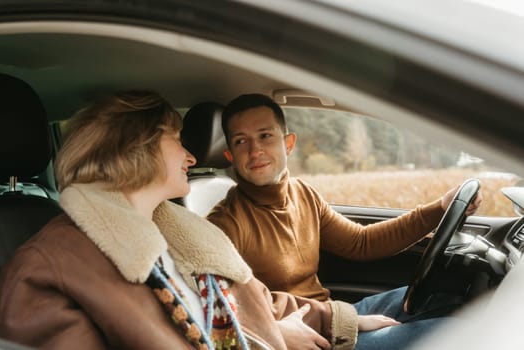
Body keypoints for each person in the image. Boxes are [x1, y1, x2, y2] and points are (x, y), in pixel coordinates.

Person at [0, 90, 383, 350]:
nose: (192, 156)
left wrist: (338, 318)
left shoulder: (177, 232)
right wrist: (265, 341)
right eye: (177, 140)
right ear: (138, 148)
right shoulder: (48, 265)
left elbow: (253, 301)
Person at [206, 93, 483, 349]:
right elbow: (231, 316)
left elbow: (361, 243)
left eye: (265, 136)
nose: (255, 151)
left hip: (334, 317)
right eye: (241, 141)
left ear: (288, 144)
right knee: (465, 334)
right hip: (307, 338)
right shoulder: (223, 225)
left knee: (451, 297)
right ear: (230, 155)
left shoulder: (302, 193)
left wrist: (440, 208)